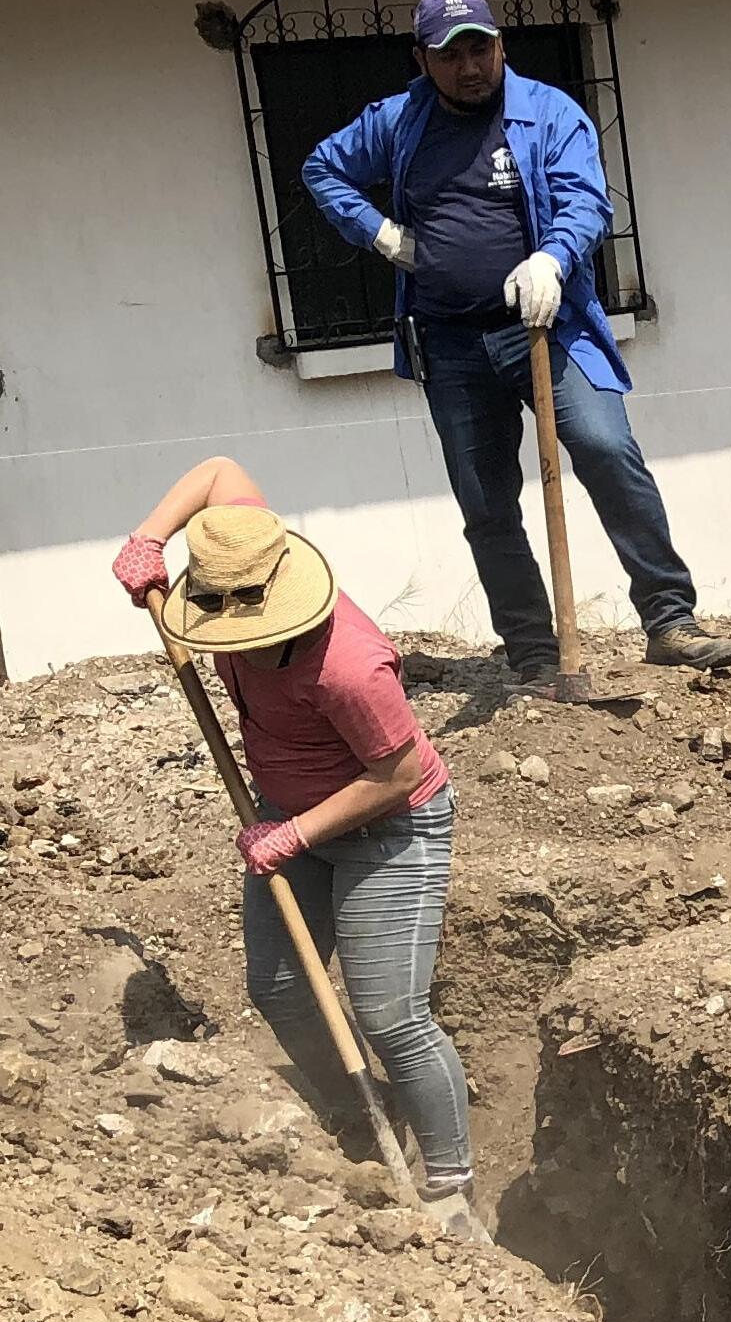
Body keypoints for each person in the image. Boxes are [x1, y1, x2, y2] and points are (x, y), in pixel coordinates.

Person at [302, 0, 731, 685]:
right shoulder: (399, 120)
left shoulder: (548, 113)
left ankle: (669, 619)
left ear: (501, 46)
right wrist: (379, 232)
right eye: (451, 55)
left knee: (606, 447)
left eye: (480, 48)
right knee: (486, 501)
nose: (470, 67)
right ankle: (534, 652)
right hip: (448, 341)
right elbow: (322, 167)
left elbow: (585, 201)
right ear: (422, 61)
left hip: (544, 329)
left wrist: (552, 259)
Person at [113, 459, 482, 1236]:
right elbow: (219, 472)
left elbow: (397, 773)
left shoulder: (350, 667)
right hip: (291, 815)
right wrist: (149, 537)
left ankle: (450, 1182)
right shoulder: (239, 552)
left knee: (391, 1014)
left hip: (388, 826)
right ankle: (365, 1118)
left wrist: (292, 832)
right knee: (279, 987)